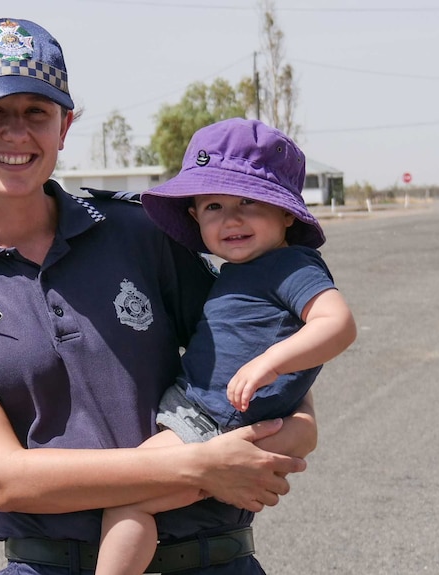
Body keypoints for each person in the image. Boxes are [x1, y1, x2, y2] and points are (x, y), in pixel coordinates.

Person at [0, 18, 318, 575]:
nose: (16, 134)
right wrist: (202, 467)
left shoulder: (142, 234)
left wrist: (298, 429)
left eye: (36, 113)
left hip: (212, 560)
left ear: (63, 127)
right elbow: (2, 478)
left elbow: (259, 354)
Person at [96, 119, 357, 575]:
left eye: (249, 202)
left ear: (287, 212)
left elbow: (338, 324)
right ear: (195, 216)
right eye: (214, 205)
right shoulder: (236, 272)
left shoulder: (289, 265)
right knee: (136, 496)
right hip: (197, 415)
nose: (230, 219)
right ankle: (208, 483)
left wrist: (272, 363)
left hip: (212, 423)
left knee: (127, 499)